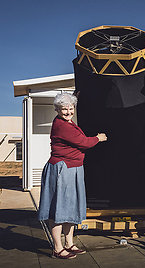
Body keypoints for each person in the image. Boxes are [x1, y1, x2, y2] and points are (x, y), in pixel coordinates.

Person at [38, 92, 107, 259]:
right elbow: (84, 142)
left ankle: (69, 243)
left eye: (71, 108)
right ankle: (57, 248)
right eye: (64, 109)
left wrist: (73, 96)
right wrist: (98, 138)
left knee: (70, 208)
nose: (68, 111)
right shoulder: (62, 125)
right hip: (62, 169)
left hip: (73, 168)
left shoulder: (68, 122)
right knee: (58, 210)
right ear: (57, 110)